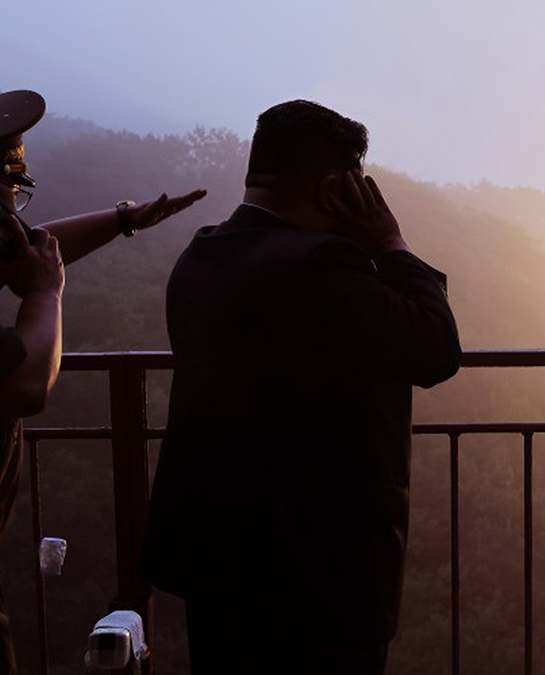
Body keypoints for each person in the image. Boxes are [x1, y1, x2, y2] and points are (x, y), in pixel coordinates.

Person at [141, 100, 462, 674]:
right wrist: (390, 241)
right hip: (318, 578)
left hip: (214, 558)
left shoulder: (202, 254)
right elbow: (436, 348)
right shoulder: (321, 269)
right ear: (336, 188)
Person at [0, 89, 206, 675]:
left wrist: (124, 220)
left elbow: (32, 248)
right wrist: (45, 294)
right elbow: (24, 384)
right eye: (11, 194)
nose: (15, 212)